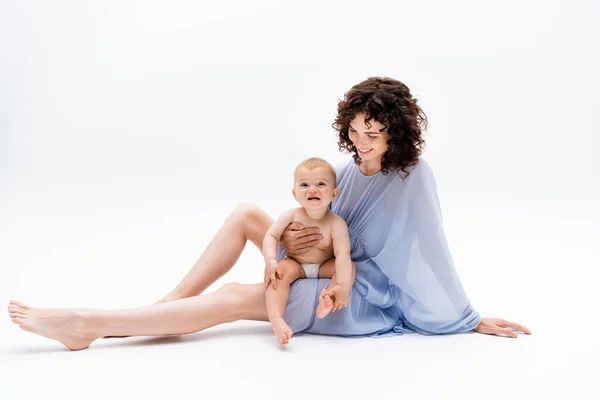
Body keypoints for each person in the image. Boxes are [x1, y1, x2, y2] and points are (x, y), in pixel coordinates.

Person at [7, 76, 531, 351]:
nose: (361, 144)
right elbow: (322, 216)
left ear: (395, 131)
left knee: (234, 299)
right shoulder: (349, 171)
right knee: (245, 213)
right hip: (323, 256)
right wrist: (298, 238)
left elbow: (431, 251)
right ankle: (160, 309)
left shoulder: (413, 176)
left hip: (355, 292)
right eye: (353, 133)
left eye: (373, 135)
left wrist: (467, 318)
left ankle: (90, 325)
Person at [263, 157, 355, 345]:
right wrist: (271, 261)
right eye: (304, 185)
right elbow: (271, 235)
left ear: (334, 193)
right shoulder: (291, 215)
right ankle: (276, 318)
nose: (312, 189)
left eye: (321, 184)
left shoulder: (336, 223)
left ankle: (329, 298)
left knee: (348, 266)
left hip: (323, 267)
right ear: (295, 193)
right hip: (296, 265)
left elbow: (342, 254)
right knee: (279, 273)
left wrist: (344, 285)